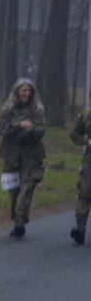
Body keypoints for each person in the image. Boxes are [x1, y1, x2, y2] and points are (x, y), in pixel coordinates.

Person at [0, 77, 45, 238]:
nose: (27, 93)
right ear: (17, 91)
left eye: (29, 90)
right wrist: (19, 125)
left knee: (27, 187)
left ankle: (19, 220)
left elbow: (42, 129)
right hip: (11, 154)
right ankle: (17, 219)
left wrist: (31, 131)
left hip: (32, 155)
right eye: (24, 90)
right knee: (13, 190)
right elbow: (0, 127)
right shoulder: (8, 108)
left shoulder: (37, 109)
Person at [68, 95, 91, 244]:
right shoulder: (85, 116)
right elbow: (74, 134)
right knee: (84, 192)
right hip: (89, 162)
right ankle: (80, 230)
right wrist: (86, 141)